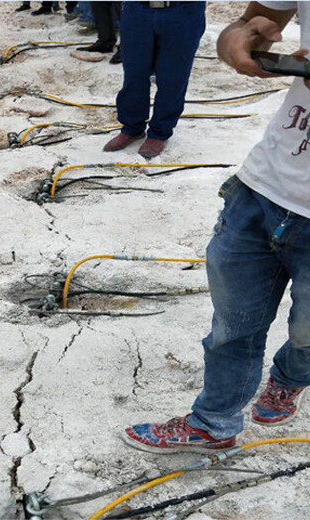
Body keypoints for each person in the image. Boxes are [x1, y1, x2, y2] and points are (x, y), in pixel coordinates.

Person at [123, 1, 310, 454]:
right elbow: (250, 25)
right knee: (233, 326)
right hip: (262, 187)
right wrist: (239, 41)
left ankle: (290, 376)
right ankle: (214, 422)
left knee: (307, 333)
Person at [103, 1, 206, 158]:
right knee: (134, 72)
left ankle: (160, 132)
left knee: (172, 76)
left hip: (182, 10)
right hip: (137, 9)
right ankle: (132, 127)